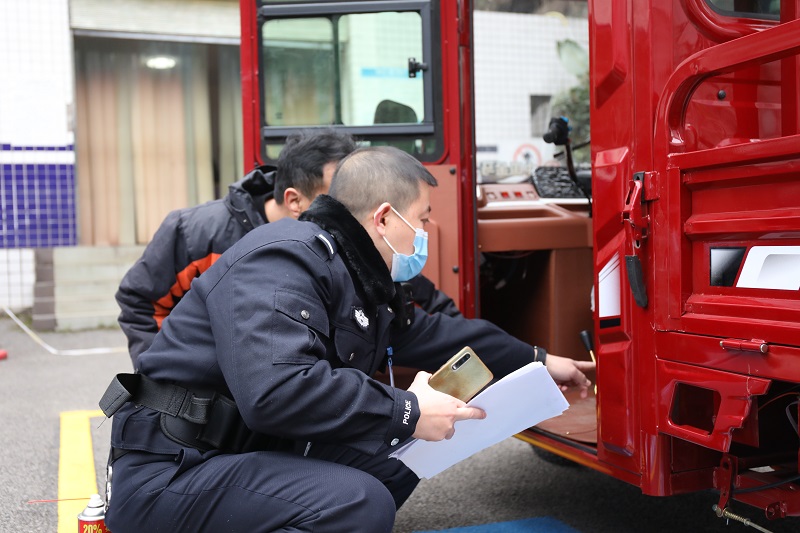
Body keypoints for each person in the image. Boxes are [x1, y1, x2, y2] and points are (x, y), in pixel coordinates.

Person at [100, 146, 594, 532]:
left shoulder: (356, 276)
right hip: (172, 473)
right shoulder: (282, 257)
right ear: (384, 218)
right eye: (421, 220)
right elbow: (278, 391)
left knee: (396, 462)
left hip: (233, 454)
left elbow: (437, 333)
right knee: (359, 502)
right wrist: (408, 410)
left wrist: (537, 360)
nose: (424, 232)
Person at [115, 129, 457, 370]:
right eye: (338, 193)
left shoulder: (349, 245)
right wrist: (166, 372)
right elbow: (139, 302)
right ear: (294, 199)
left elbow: (416, 300)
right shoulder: (196, 234)